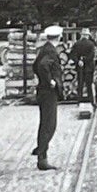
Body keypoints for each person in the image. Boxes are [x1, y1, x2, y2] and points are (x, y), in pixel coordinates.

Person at [32, 25, 64, 170]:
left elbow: (35, 65)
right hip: (48, 92)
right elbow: (43, 66)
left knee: (45, 123)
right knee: (49, 124)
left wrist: (40, 79)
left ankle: (41, 151)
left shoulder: (44, 49)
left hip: (43, 92)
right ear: (59, 37)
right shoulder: (51, 51)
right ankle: (42, 158)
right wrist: (50, 81)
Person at [71, 27, 97, 104]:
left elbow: (73, 54)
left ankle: (79, 100)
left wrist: (78, 61)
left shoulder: (77, 44)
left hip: (80, 67)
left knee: (80, 85)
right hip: (89, 67)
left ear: (82, 35)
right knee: (89, 85)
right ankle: (91, 101)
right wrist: (85, 61)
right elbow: (91, 55)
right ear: (87, 35)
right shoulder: (91, 44)